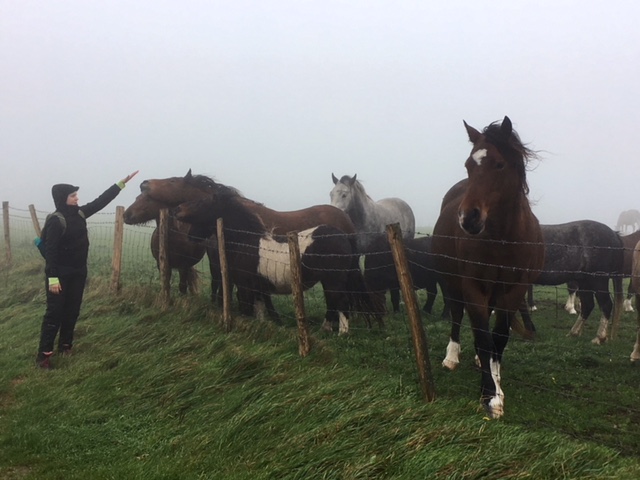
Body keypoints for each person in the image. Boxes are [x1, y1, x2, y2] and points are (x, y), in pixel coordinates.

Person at [35, 171, 139, 369]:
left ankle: (66, 346)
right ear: (63, 199)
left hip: (78, 273)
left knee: (72, 311)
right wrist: (53, 278)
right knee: (54, 314)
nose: (77, 198)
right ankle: (44, 356)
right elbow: (51, 253)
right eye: (73, 196)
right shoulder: (56, 221)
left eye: (76, 195)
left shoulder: (80, 213)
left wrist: (120, 184)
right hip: (59, 276)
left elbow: (101, 201)